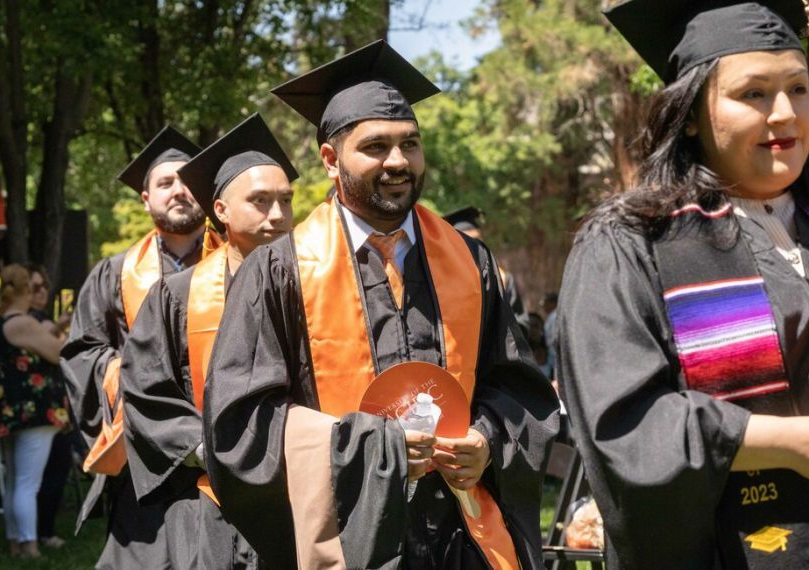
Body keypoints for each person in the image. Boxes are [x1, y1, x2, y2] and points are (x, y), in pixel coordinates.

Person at [558, 1, 809, 568]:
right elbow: (623, 424)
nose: (785, 114)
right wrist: (789, 445)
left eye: (799, 89)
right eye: (753, 93)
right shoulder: (631, 244)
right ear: (690, 114)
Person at [203, 40, 559, 569]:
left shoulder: (470, 261)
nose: (397, 161)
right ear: (330, 160)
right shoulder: (278, 270)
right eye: (375, 146)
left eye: (410, 144)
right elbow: (242, 425)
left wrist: (486, 440)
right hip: (349, 537)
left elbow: (517, 388)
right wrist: (373, 448)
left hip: (458, 536)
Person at [120, 113, 298, 568]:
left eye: (286, 200)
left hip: (300, 487)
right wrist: (213, 453)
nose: (278, 215)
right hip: (209, 498)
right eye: (260, 201)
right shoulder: (176, 297)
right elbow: (146, 389)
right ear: (221, 210)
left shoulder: (315, 286)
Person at [60, 126, 221, 569]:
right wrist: (133, 378)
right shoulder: (113, 274)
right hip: (144, 454)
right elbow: (83, 352)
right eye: (165, 183)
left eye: (187, 181)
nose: (178, 191)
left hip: (222, 441)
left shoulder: (237, 262)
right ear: (146, 199)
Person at [0, 264, 70, 558]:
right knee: (28, 483)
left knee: (13, 480)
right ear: (27, 291)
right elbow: (58, 353)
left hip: (8, 411)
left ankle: (16, 542)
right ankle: (30, 546)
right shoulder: (24, 323)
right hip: (35, 411)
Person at [26, 265, 74, 550]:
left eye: (44, 285)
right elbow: (59, 352)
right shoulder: (29, 322)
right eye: (35, 287)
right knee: (46, 472)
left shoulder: (39, 320)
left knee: (54, 469)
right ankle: (40, 532)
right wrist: (60, 327)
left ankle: (38, 531)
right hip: (42, 409)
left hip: (54, 406)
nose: (42, 291)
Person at [444, 206, 531, 332]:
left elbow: (521, 321)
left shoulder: (502, 279)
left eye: (476, 241)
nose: (472, 246)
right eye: (464, 241)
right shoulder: (440, 280)